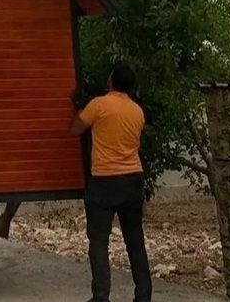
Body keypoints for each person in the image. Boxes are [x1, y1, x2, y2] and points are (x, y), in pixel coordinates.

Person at [69, 65, 152, 302]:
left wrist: (79, 110)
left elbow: (75, 129)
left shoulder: (99, 105)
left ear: (111, 81)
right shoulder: (137, 111)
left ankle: (101, 296)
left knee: (99, 241)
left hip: (105, 181)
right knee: (135, 241)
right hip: (133, 179)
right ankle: (143, 295)